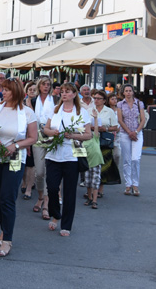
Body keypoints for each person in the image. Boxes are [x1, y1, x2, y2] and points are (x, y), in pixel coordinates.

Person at [0, 78, 38, 258]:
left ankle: (7, 239)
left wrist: (16, 146)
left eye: (6, 90)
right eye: (2, 89)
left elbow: (33, 138)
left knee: (7, 197)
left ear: (15, 92)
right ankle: (3, 228)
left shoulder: (27, 113)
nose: (2, 92)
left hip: (15, 157)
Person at [42, 82, 93, 237]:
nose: (64, 94)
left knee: (70, 191)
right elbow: (45, 129)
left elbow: (88, 134)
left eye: (67, 91)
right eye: (62, 91)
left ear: (74, 94)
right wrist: (53, 132)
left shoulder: (81, 112)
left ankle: (66, 224)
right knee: (51, 187)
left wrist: (73, 135)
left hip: (71, 155)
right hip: (54, 154)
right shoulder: (55, 110)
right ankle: (56, 214)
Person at [116, 84, 146, 197]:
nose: (128, 92)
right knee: (127, 160)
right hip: (125, 133)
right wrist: (129, 132)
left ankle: (135, 184)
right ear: (123, 93)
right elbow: (120, 119)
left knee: (135, 159)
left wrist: (136, 132)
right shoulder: (120, 104)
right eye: (126, 91)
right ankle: (128, 184)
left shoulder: (139, 103)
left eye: (130, 90)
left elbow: (142, 120)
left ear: (133, 92)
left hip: (138, 133)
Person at [31, 76, 54, 219]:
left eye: (48, 84)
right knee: (39, 172)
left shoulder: (56, 100)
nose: (46, 86)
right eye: (44, 84)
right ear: (39, 86)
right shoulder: (33, 101)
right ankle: (40, 196)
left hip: (52, 136)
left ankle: (46, 202)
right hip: (37, 136)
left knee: (49, 171)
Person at [94, 90, 120, 197]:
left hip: (105, 140)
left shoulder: (109, 111)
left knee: (104, 165)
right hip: (92, 140)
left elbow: (116, 127)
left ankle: (100, 189)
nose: (96, 100)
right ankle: (91, 190)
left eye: (99, 98)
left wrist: (105, 128)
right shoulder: (89, 110)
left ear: (104, 100)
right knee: (92, 165)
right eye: (95, 98)